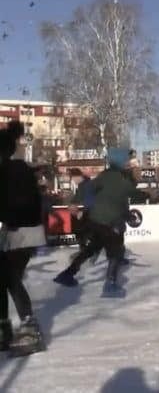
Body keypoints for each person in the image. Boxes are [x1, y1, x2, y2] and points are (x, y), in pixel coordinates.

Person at [53, 148, 143, 297]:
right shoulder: (122, 179)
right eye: (128, 161)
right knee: (115, 251)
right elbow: (126, 199)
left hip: (96, 220)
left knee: (91, 249)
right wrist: (140, 199)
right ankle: (110, 284)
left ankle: (67, 274)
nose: (130, 164)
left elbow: (89, 188)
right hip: (111, 221)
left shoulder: (104, 175)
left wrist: (74, 202)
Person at [0, 121, 47, 356]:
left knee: (10, 279)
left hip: (20, 232)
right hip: (22, 232)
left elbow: (18, 204)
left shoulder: (10, 171)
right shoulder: (19, 170)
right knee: (7, 279)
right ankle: (7, 329)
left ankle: (29, 326)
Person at [68, 168, 97, 262]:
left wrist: (82, 211)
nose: (73, 181)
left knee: (83, 231)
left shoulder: (87, 184)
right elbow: (78, 197)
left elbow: (89, 199)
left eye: (73, 178)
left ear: (77, 176)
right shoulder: (83, 184)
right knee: (82, 232)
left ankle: (88, 251)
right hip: (89, 210)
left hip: (92, 211)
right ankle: (86, 250)